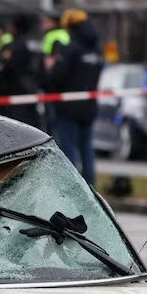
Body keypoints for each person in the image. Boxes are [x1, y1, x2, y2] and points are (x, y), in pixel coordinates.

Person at [44, 10, 104, 185]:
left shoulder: (70, 49)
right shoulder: (96, 50)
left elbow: (56, 78)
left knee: (69, 153)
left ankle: (72, 189)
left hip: (68, 109)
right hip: (89, 107)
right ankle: (90, 188)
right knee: (87, 151)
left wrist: (49, 70)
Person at [0, 15, 39, 128]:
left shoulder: (15, 45)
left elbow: (6, 67)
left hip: (17, 91)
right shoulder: (30, 43)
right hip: (28, 89)